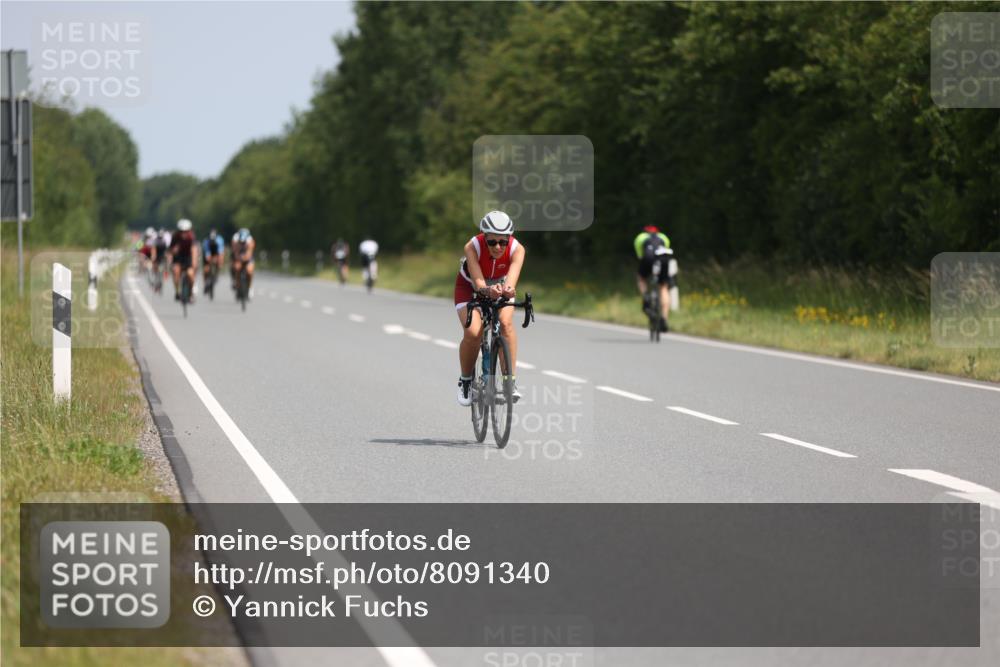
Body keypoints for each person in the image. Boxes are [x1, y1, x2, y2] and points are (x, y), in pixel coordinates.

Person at [454, 210, 525, 406]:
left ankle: (509, 381)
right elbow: (478, 283)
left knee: (505, 324)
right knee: (473, 332)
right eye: (492, 242)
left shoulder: (517, 249)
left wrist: (507, 290)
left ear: (509, 239)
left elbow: (511, 281)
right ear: (484, 237)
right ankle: (465, 381)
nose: (498, 247)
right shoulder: (472, 246)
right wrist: (486, 290)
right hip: (469, 287)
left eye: (503, 242)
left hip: (499, 286)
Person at [633, 224, 673, 332]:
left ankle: (646, 296)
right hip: (663, 259)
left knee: (641, 278)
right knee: (663, 287)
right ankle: (664, 318)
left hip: (648, 258)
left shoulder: (640, 237)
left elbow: (640, 255)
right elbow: (666, 248)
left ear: (645, 231)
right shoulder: (663, 237)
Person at [168, 219, 198, 302]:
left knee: (190, 274)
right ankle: (177, 292)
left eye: (186, 231)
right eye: (181, 231)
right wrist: (173, 251)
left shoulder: (191, 237)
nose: (184, 233)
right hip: (178, 257)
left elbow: (194, 250)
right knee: (176, 271)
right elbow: (170, 250)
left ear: (189, 231)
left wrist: (194, 262)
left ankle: (191, 293)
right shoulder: (175, 236)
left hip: (188, 257)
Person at [231, 228, 256, 297]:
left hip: (248, 258)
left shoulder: (250, 241)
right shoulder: (235, 240)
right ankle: (237, 284)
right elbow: (235, 253)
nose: (242, 243)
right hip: (239, 257)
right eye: (241, 242)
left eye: (243, 242)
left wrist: (244, 258)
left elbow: (249, 253)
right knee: (236, 268)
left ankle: (250, 288)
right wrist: (238, 258)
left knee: (249, 271)